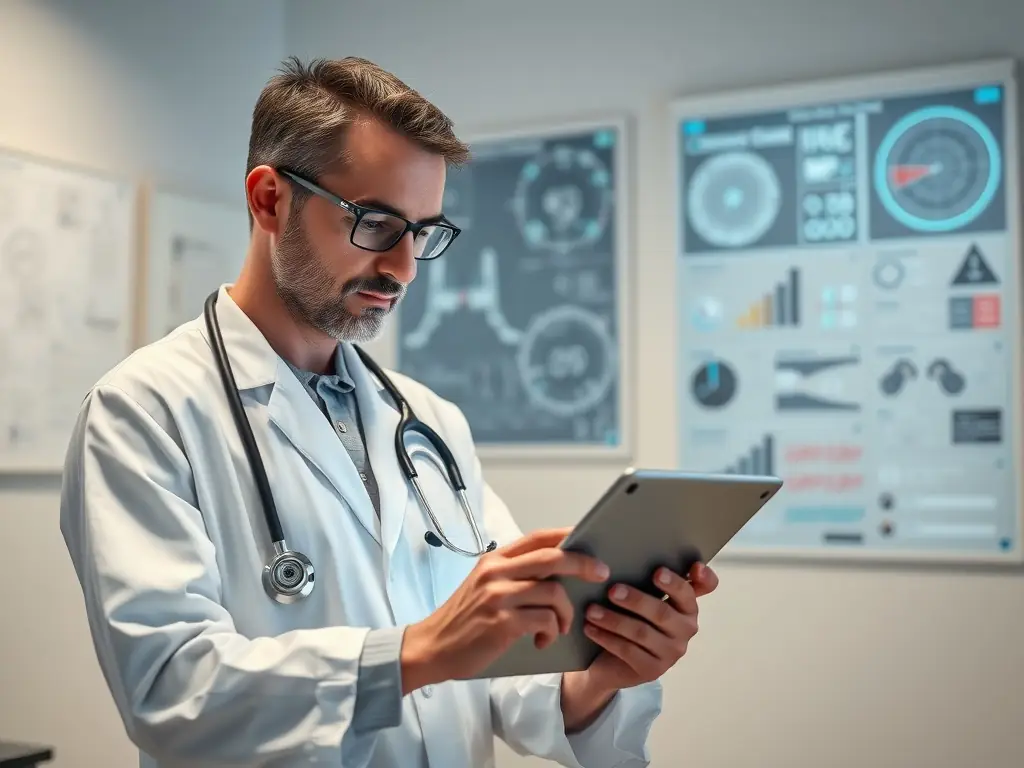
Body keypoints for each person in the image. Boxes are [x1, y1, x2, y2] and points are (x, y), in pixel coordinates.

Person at [59, 56, 720, 768]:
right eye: (376, 223)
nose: (405, 267)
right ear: (269, 200)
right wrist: (416, 653)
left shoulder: (428, 420)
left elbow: (498, 674)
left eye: (424, 231)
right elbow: (172, 695)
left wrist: (604, 675)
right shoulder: (144, 414)